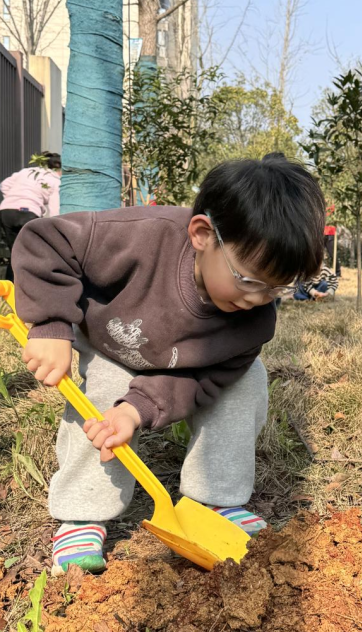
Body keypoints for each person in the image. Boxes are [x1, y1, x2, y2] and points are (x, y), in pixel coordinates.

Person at [11, 155, 326, 575]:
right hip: (111, 343)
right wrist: (51, 325)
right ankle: (82, 514)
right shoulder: (138, 236)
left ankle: (217, 497)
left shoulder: (253, 322)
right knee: (102, 401)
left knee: (246, 381)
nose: (256, 299)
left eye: (275, 289)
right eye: (248, 280)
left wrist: (139, 407)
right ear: (202, 234)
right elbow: (45, 242)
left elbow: (206, 379)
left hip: (182, 366)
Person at [0, 154, 62, 281]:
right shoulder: (55, 180)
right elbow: (55, 210)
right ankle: (31, 286)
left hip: (6, 211)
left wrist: (14, 200)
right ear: (58, 168)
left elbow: (4, 185)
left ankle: (10, 287)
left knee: (15, 253)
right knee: (33, 253)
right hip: (28, 213)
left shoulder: (26, 172)